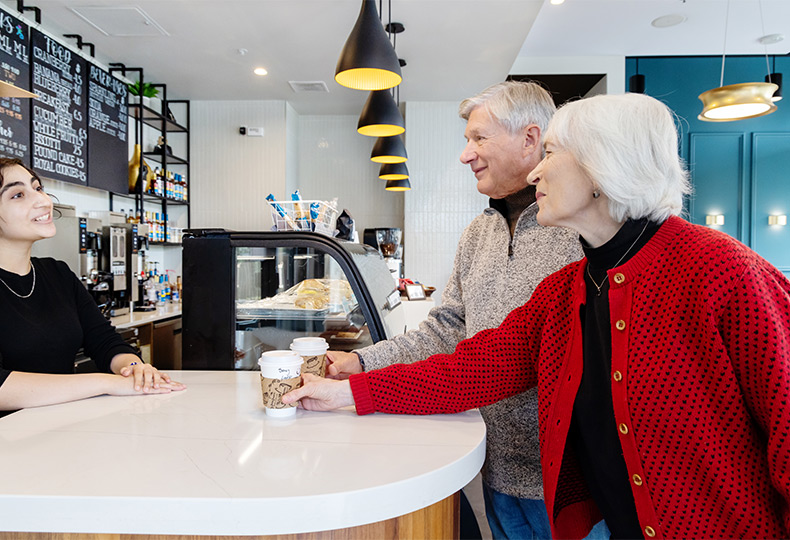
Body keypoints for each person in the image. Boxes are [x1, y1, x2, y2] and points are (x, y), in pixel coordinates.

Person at [284, 93, 790, 539]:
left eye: (550, 154)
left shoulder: (722, 270)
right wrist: (348, 392)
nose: (535, 171)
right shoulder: (567, 290)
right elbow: (474, 368)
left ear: (602, 165)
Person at [325, 81, 583, 539]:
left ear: (530, 139)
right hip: (495, 468)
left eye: (478, 138)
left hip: (571, 483)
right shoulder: (476, 235)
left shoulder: (580, 232)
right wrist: (361, 362)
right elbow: (446, 329)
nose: (466, 154)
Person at [0, 157, 185, 413]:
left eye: (38, 188)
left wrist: (134, 369)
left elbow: (104, 340)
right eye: (18, 194)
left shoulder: (57, 273)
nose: (43, 200)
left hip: (57, 429)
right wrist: (106, 383)